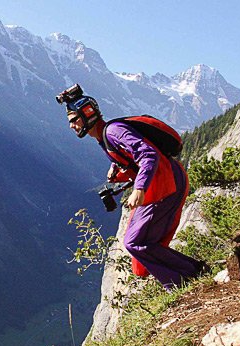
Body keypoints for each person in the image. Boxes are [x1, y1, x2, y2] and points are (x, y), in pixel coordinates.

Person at [60, 84, 207, 289]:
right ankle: (193, 274)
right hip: (159, 185)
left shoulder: (113, 131)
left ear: (87, 114)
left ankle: (185, 281)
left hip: (166, 185)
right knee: (138, 259)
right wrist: (116, 169)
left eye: (74, 119)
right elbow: (133, 157)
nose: (71, 125)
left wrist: (139, 189)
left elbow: (148, 154)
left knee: (135, 242)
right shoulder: (105, 137)